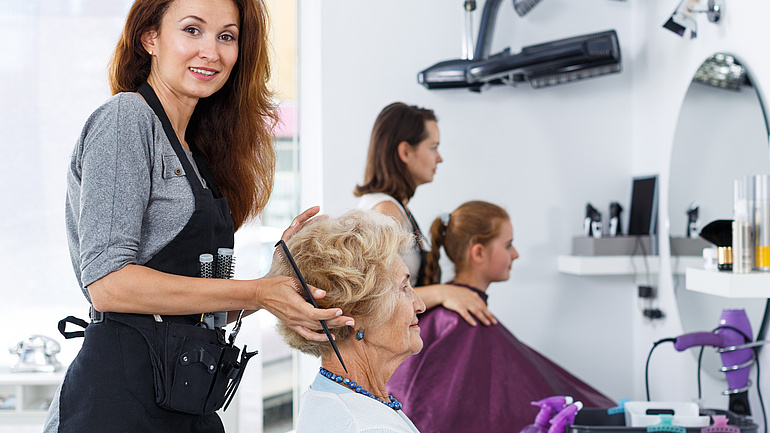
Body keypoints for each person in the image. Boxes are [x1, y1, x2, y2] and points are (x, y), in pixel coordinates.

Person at [45, 0, 352, 431]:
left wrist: (277, 274)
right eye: (193, 30)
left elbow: (204, 306)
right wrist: (257, 292)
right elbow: (108, 284)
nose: (212, 51)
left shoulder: (195, 152)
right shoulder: (126, 119)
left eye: (227, 36)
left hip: (186, 397)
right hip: (120, 400)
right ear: (149, 37)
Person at [387, 201, 615, 433]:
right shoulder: (456, 322)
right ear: (478, 253)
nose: (515, 254)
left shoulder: (455, 315)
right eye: (508, 245)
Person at [270, 209, 426, 433]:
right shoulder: (370, 428)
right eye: (403, 287)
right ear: (355, 313)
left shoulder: (326, 394)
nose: (420, 304)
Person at [354, 102, 497, 328]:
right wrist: (444, 293)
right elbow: (382, 296)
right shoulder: (386, 211)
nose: (439, 158)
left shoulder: (396, 208)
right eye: (433, 147)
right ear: (405, 152)